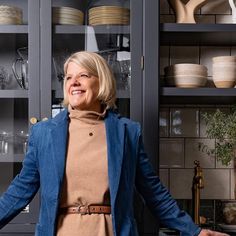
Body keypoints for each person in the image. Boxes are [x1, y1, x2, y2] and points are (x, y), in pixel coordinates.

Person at [0, 51, 229, 236]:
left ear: (101, 81)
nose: (74, 82)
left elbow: (154, 192)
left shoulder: (127, 132)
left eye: (84, 75)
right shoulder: (44, 133)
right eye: (68, 77)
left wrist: (193, 231)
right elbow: (20, 190)